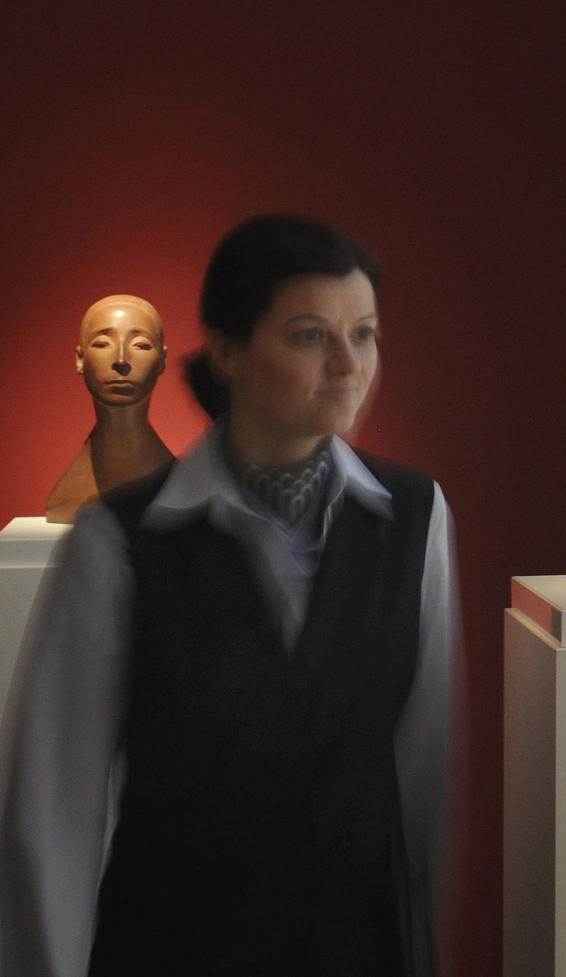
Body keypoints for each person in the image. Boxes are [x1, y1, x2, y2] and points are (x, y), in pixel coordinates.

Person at [0, 213, 458, 977]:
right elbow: (51, 815)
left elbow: (423, 781)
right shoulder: (119, 543)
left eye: (366, 333)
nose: (349, 364)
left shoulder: (415, 519)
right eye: (311, 335)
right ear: (231, 351)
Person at [45, 295, 174, 523]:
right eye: (102, 344)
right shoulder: (70, 495)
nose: (121, 359)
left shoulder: (176, 486)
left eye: (141, 345)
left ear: (162, 360)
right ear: (80, 359)